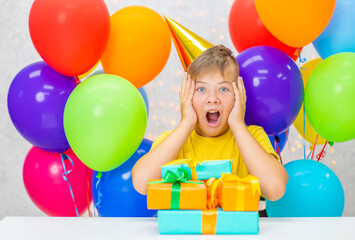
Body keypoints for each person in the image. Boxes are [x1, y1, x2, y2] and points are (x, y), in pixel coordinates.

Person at [132, 45, 288, 201]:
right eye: (201, 89)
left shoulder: (251, 136)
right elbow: (141, 183)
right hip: (187, 226)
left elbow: (275, 188)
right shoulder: (173, 140)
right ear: (187, 96)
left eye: (223, 89)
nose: (212, 98)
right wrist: (186, 123)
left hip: (234, 225)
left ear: (238, 95)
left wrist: (239, 126)